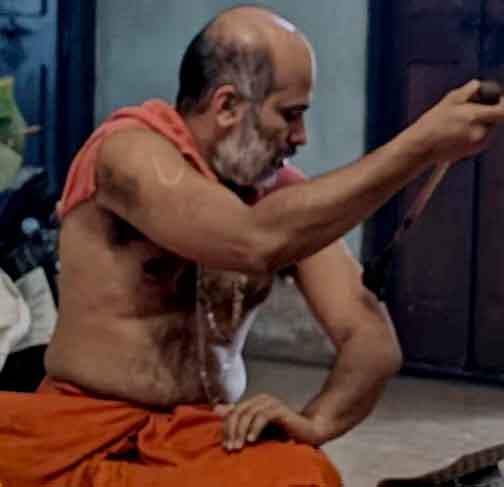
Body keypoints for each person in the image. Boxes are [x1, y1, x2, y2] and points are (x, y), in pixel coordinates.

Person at [1, 5, 504, 487]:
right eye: (290, 115)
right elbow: (251, 240)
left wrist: (315, 423)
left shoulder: (279, 198)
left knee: (301, 475)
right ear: (227, 106)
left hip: (198, 435)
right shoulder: (127, 154)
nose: (301, 137)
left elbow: (371, 342)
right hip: (80, 427)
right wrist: (420, 145)